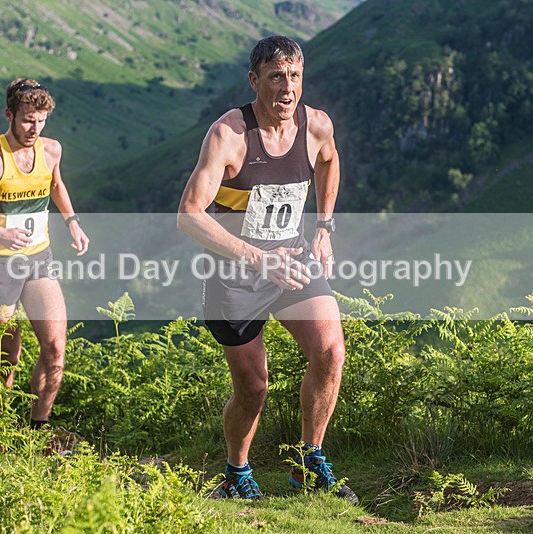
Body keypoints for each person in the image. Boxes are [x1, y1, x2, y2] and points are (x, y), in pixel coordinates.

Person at [177, 36, 356, 503]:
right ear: (254, 80)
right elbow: (189, 214)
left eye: (295, 76)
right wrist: (258, 258)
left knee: (330, 352)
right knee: (254, 387)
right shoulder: (228, 135)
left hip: (292, 261)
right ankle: (236, 474)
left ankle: (308, 462)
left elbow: (330, 161)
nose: (288, 88)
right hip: (235, 273)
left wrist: (324, 227)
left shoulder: (315, 125)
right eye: (276, 76)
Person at [0, 78, 89, 443]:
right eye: (27, 120)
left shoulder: (51, 149)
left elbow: (55, 184)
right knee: (6, 357)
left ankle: (37, 433)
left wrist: (72, 222)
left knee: (55, 348)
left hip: (38, 257)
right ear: (9, 115)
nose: (34, 129)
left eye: (41, 121)